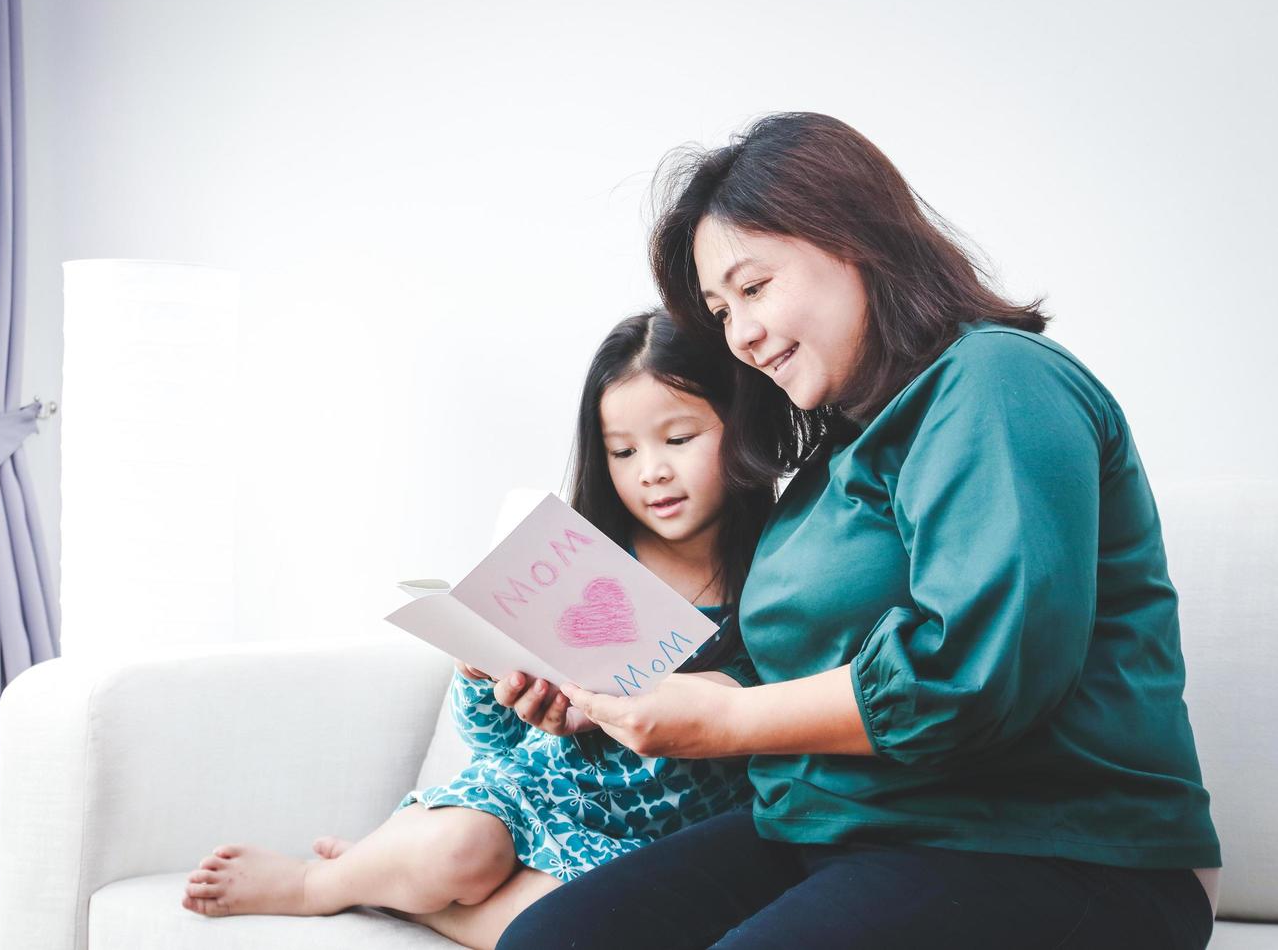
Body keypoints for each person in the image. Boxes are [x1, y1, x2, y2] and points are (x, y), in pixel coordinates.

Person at [497, 113, 1221, 950]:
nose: (741, 335)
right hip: (833, 831)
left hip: (1054, 848)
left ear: (856, 242)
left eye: (754, 288)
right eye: (720, 309)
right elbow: (769, 683)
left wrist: (730, 722)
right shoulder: (829, 462)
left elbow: (969, 674)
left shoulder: (998, 381)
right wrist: (601, 694)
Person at [181, 309, 775, 949]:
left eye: (679, 440)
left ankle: (402, 897)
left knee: (595, 925)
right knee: (458, 849)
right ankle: (316, 885)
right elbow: (493, 747)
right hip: (526, 799)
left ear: (737, 426)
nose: (651, 471)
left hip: (643, 843)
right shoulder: (578, 564)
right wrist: (484, 673)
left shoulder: (776, 575)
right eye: (623, 452)